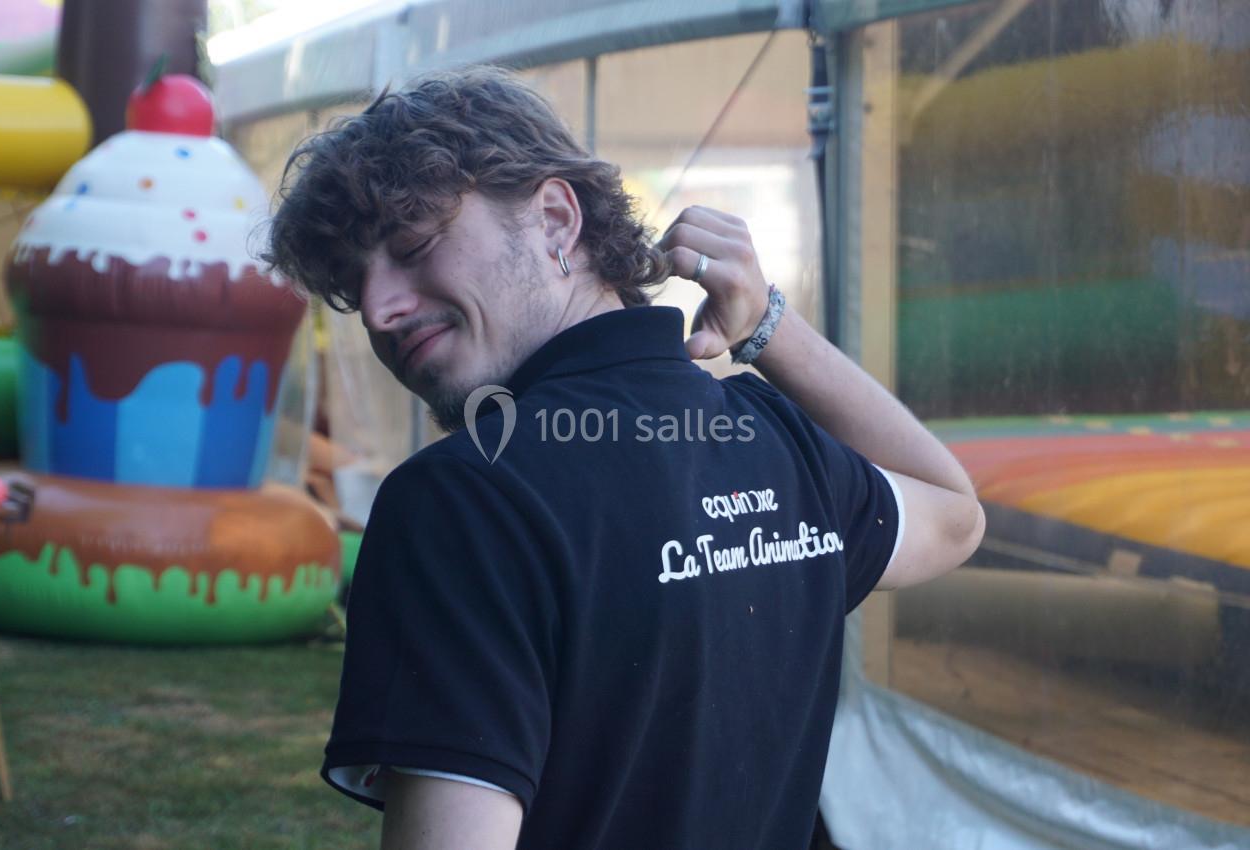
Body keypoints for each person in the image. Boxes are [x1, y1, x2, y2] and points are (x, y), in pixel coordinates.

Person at [264, 65, 985, 850]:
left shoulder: (458, 502)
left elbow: (954, 518)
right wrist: (767, 326)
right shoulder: (774, 441)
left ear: (554, 219)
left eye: (413, 245)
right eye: (352, 285)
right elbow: (953, 513)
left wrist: (761, 324)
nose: (378, 309)